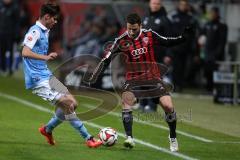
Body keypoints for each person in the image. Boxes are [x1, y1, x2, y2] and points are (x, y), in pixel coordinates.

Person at [90, 13, 192, 151]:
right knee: (126, 102)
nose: (131, 32)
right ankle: (129, 138)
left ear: (141, 26)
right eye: (129, 28)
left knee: (168, 106)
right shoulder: (121, 40)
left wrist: (182, 38)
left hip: (152, 77)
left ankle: (172, 136)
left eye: (134, 29)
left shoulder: (149, 35)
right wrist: (95, 74)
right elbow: (106, 59)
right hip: (133, 79)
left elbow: (167, 41)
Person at [21, 3, 102, 148]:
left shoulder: (45, 30)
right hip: (38, 79)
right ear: (47, 17)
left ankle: (47, 129)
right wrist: (45, 57)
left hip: (47, 75)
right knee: (68, 106)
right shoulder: (35, 31)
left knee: (74, 103)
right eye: (54, 19)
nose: (56, 21)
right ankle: (89, 138)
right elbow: (25, 52)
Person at [140, 0, 172, 112]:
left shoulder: (165, 20)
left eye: (157, 4)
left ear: (161, 5)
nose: (155, 5)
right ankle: (142, 104)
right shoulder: (145, 18)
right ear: (149, 4)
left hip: (158, 55)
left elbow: (169, 39)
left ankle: (152, 105)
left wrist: (168, 54)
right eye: (153, 3)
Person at [168, 0, 198, 92]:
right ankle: (175, 85)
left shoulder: (191, 18)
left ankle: (181, 85)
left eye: (185, 5)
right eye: (182, 4)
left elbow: (193, 35)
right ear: (179, 5)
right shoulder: (173, 16)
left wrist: (194, 49)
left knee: (184, 68)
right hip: (175, 47)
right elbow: (169, 33)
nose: (183, 6)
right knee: (176, 67)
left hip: (186, 47)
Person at [200, 7, 228, 92]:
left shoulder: (222, 25)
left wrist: (217, 53)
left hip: (216, 54)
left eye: (212, 13)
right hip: (207, 53)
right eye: (210, 13)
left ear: (217, 14)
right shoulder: (207, 24)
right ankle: (208, 88)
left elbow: (222, 41)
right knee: (207, 71)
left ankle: (215, 89)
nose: (211, 15)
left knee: (214, 72)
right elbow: (202, 35)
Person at [0, 0, 19, 76]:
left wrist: (16, 34)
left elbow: (17, 22)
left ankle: (10, 69)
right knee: (2, 51)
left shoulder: (15, 7)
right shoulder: (1, 6)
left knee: (11, 51)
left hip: (11, 34)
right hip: (1, 32)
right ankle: (3, 68)